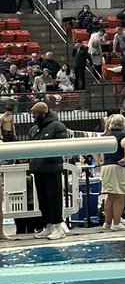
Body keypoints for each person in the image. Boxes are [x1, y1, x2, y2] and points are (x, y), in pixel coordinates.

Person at [27, 101, 70, 240]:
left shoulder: (57, 127)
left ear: (43, 114)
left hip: (52, 168)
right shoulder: (34, 129)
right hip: (38, 169)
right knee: (43, 199)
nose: (33, 117)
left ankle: (58, 226)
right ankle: (48, 225)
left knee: (54, 198)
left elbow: (62, 147)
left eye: (35, 115)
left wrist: (49, 159)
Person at [96, 112, 125, 231]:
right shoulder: (123, 136)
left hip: (106, 167)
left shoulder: (105, 136)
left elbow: (94, 149)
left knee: (110, 196)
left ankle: (107, 223)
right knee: (120, 196)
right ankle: (116, 223)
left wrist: (99, 161)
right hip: (118, 167)